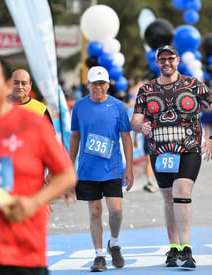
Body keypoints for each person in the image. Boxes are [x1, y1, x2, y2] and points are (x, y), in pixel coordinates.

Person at [0, 53, 76, 274]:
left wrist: (36, 201)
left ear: (4, 85)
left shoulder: (33, 123)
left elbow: (67, 174)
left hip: (24, 252)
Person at [130, 45, 212, 269]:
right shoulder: (147, 90)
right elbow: (134, 120)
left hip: (188, 148)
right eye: (162, 59)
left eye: (170, 59)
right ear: (157, 62)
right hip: (160, 151)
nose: (166, 63)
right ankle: (173, 247)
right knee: (167, 198)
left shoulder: (192, 85)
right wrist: (140, 125)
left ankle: (186, 248)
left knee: (181, 191)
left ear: (178, 60)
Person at [69, 66, 134, 272]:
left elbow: (126, 137)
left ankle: (113, 244)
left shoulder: (118, 107)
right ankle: (99, 256)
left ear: (107, 85)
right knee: (95, 212)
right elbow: (75, 136)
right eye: (94, 83)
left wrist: (129, 168)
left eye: (101, 83)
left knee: (115, 211)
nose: (98, 87)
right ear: (88, 85)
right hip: (88, 170)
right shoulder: (79, 106)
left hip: (112, 168)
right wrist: (69, 166)